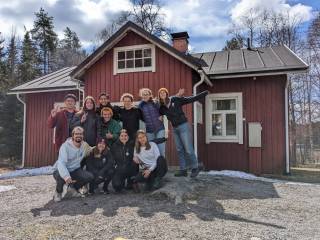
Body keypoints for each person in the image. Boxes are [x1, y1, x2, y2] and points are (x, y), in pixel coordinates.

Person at [158, 88, 209, 178]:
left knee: (188, 148)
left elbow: (190, 99)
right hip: (175, 128)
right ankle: (183, 169)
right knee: (179, 149)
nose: (162, 94)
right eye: (160, 93)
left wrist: (204, 93)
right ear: (159, 96)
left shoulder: (175, 99)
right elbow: (157, 113)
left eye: (164, 92)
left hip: (183, 126)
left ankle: (195, 167)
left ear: (166, 93)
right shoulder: (162, 107)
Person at [52, 126, 94, 202]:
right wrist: (66, 176)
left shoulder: (84, 145)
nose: (78, 136)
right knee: (60, 177)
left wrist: (100, 148)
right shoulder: (65, 146)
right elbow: (61, 163)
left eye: (80, 134)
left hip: (75, 169)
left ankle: (73, 188)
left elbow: (90, 149)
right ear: (73, 135)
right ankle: (58, 192)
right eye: (76, 134)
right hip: (60, 169)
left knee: (89, 177)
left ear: (83, 135)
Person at [138, 88, 166, 157]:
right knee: (152, 150)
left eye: (146, 94)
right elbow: (141, 117)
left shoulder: (155, 102)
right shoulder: (140, 106)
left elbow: (162, 110)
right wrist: (147, 121)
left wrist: (161, 115)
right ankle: (154, 167)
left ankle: (163, 167)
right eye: (143, 95)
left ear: (150, 95)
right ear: (141, 96)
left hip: (160, 129)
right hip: (149, 131)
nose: (145, 96)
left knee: (161, 150)